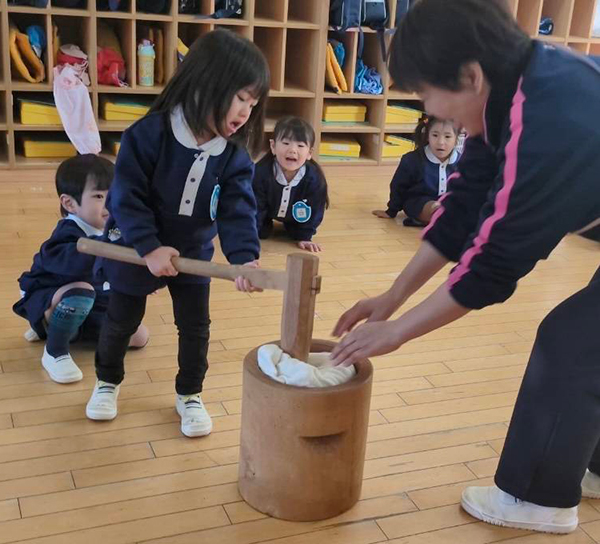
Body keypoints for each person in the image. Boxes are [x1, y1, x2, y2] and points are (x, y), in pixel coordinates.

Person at [331, 0, 600, 535]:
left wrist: (397, 334)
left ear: (470, 76)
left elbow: (493, 263)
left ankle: (537, 501)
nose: (432, 112)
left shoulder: (550, 115)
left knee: (573, 344)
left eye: (429, 95)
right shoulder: (511, 89)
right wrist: (391, 299)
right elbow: (463, 209)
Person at [85, 29, 270, 439]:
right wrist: (149, 247)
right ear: (206, 82)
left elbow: (238, 208)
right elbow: (125, 197)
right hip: (135, 245)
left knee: (196, 326)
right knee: (120, 322)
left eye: (253, 104)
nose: (246, 111)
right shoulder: (148, 134)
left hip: (193, 251)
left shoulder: (234, 154)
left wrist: (244, 258)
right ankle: (107, 380)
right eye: (241, 97)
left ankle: (189, 393)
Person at [13, 154, 148, 384]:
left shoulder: (116, 229)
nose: (109, 204)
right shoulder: (69, 231)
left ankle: (67, 330)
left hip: (97, 300)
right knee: (80, 291)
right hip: (50, 296)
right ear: (70, 203)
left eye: (113, 194)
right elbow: (68, 263)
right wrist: (103, 253)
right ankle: (54, 351)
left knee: (138, 336)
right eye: (98, 196)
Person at [252, 116, 329, 253]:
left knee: (297, 234)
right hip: (268, 211)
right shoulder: (261, 173)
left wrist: (306, 236)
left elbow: (316, 209)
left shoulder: (314, 179)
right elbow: (255, 203)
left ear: (309, 153)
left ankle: (296, 228)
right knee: (260, 232)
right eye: (286, 143)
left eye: (300, 146)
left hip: (296, 217)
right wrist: (250, 232)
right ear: (273, 146)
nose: (293, 150)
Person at [372, 116, 460, 226]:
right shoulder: (412, 160)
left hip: (451, 203)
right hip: (420, 202)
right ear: (427, 136)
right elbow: (398, 186)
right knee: (436, 207)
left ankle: (448, 221)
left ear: (456, 139)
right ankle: (444, 220)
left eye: (447, 136)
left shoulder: (464, 162)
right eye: (435, 135)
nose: (441, 142)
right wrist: (391, 211)